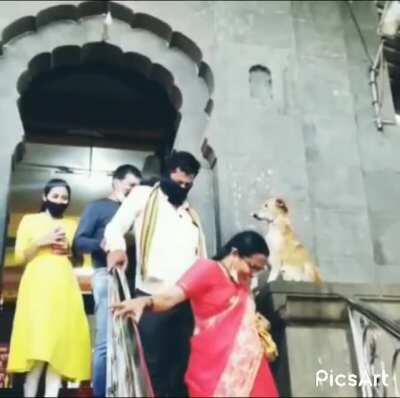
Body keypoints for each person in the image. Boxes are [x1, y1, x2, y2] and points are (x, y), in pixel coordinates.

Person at [112, 230, 279, 398]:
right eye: (252, 266)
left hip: (249, 365)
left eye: (258, 270)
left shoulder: (243, 283)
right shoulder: (207, 269)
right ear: (235, 253)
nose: (252, 273)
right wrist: (144, 302)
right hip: (212, 368)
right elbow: (170, 298)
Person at [104, 150, 207, 397]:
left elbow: (201, 258)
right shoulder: (144, 195)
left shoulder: (191, 215)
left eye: (187, 184)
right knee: (154, 369)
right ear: (166, 175)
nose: (181, 187)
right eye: (178, 181)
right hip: (150, 297)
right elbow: (114, 228)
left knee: (183, 371)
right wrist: (117, 249)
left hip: (185, 301)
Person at [7, 179, 91, 398]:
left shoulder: (73, 224)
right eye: (55, 196)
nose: (60, 201)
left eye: (64, 198)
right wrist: (41, 241)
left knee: (58, 347)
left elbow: (80, 261)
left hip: (64, 287)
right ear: (45, 197)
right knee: (36, 346)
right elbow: (19, 256)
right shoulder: (30, 220)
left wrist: (70, 251)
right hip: (37, 286)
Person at [74, 164, 142, 398]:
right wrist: (103, 244)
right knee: (105, 341)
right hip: (106, 275)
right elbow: (79, 241)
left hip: (135, 283)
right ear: (116, 182)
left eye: (137, 187)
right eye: (130, 185)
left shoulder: (138, 210)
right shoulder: (98, 207)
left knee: (132, 345)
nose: (134, 191)